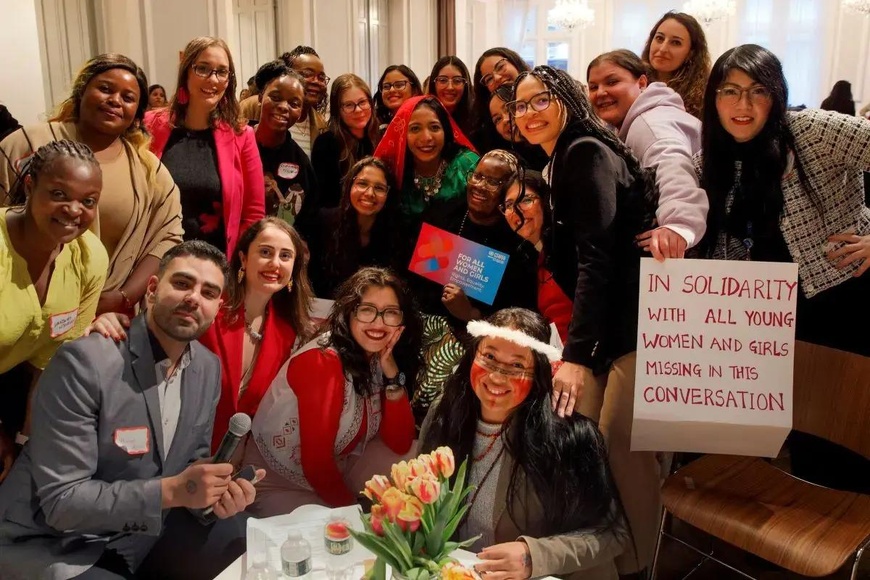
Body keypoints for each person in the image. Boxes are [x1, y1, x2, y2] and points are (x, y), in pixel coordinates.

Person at [0, 241, 263, 580]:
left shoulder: (206, 368)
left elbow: (188, 462)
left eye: (208, 292)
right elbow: (63, 502)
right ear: (152, 289)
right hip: (54, 541)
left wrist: (215, 493)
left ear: (218, 307)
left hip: (141, 526)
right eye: (182, 283)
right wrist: (173, 491)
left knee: (242, 538)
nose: (194, 298)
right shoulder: (87, 362)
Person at [509, 65, 662, 575]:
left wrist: (576, 357)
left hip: (633, 329)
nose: (527, 113)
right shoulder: (561, 160)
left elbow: (598, 259)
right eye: (519, 105)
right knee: (589, 443)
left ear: (567, 100)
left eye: (538, 101)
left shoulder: (584, 152)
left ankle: (644, 565)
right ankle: (614, 560)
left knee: (622, 447)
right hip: (612, 332)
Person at [698, 45, 870, 494]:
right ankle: (809, 541)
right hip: (771, 319)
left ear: (777, 95)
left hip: (841, 300)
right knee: (803, 435)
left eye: (758, 91)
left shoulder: (811, 131)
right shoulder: (711, 158)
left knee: (848, 433)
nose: (743, 105)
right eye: (730, 91)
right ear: (712, 98)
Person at [419, 308, 627, 580]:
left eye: (517, 365)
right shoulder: (443, 416)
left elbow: (612, 533)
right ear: (472, 356)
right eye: (490, 357)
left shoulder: (566, 437)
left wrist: (535, 557)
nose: (497, 376)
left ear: (538, 373)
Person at [88, 217, 315, 454]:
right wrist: (109, 321)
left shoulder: (286, 332)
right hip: (160, 445)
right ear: (244, 258)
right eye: (266, 252)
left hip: (224, 460)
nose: (275, 263)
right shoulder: (206, 308)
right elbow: (150, 338)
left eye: (285, 256)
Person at [0, 54, 184, 318]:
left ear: (136, 114)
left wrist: (121, 298)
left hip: (107, 319)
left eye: (128, 97)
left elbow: (167, 237)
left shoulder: (148, 171)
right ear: (81, 91)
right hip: (16, 307)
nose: (115, 101)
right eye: (105, 89)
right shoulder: (27, 144)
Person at [242, 266, 423, 516]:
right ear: (349, 312)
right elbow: (316, 465)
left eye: (390, 313)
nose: (378, 323)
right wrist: (357, 517)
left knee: (416, 460)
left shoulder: (375, 356)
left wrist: (392, 373)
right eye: (367, 310)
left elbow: (399, 443)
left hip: (339, 466)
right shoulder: (323, 361)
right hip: (278, 480)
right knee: (333, 539)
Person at [0, 140, 109, 482]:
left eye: (88, 201)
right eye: (59, 194)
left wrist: (26, 441)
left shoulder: (89, 257)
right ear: (30, 186)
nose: (74, 210)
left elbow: (51, 363)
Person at [410, 150, 537, 418]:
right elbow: (415, 282)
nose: (480, 186)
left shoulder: (517, 242)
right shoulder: (444, 215)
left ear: (508, 191)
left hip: (480, 343)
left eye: (493, 181)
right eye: (477, 176)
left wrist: (470, 314)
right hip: (423, 329)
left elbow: (519, 320)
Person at [145, 37, 265, 257]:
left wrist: (233, 269)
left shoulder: (242, 136)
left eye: (222, 72)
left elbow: (253, 214)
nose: (213, 79)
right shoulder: (151, 125)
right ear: (186, 72)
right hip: (156, 263)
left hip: (215, 268)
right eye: (203, 69)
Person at [587, 49, 707, 259]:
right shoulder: (629, 124)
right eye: (593, 87)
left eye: (612, 82)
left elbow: (671, 163)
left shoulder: (649, 123)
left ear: (641, 83)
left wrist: (679, 225)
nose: (601, 92)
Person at [374, 95, 479, 223]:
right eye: (415, 128)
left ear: (446, 130)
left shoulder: (467, 165)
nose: (426, 137)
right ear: (402, 135)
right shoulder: (395, 170)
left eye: (434, 127)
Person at [307, 157, 400, 299]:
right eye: (362, 184)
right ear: (350, 185)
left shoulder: (396, 233)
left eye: (379, 188)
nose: (369, 193)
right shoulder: (322, 222)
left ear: (388, 194)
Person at [500, 170, 571, 344]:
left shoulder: (569, 248)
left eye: (526, 200)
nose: (516, 210)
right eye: (509, 204)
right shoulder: (535, 258)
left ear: (546, 202)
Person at [251, 61, 318, 235]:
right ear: (260, 97)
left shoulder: (301, 163)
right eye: (275, 97)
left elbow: (307, 223)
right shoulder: (236, 143)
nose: (283, 107)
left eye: (294, 103)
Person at [311, 74, 380, 208]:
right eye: (349, 105)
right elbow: (324, 202)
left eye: (362, 102)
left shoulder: (381, 136)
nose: (358, 110)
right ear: (338, 110)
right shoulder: (325, 144)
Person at [641, 11, 710, 119]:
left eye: (675, 42)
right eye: (659, 38)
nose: (662, 49)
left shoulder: (704, 100)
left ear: (690, 54)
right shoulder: (633, 83)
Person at [471, 48, 530, 153]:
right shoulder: (489, 134)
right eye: (489, 79)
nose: (497, 77)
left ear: (514, 62)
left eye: (501, 67)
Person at [283, 46, 329, 159]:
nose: (316, 81)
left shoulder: (321, 125)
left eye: (321, 77)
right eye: (307, 74)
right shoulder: (256, 107)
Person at [428, 56, 474, 136]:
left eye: (457, 81)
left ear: (465, 85)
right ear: (433, 84)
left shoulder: (477, 120)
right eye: (443, 80)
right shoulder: (423, 116)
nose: (450, 87)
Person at [373, 65, 423, 132]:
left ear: (414, 90)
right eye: (386, 86)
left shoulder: (424, 118)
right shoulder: (375, 124)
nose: (391, 90)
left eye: (399, 85)